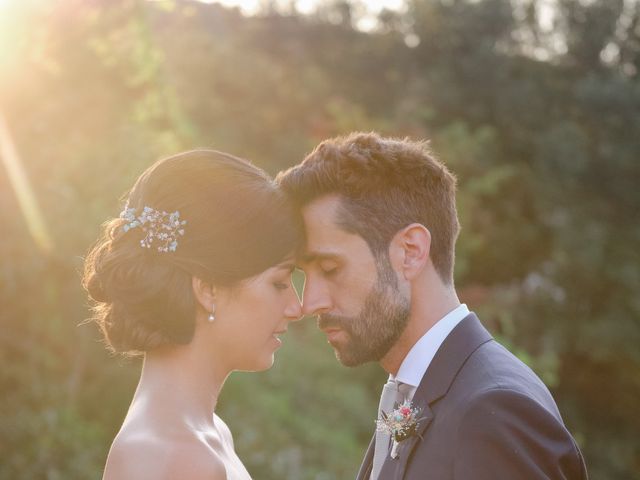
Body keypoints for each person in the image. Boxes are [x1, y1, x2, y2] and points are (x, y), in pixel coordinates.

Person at [277, 132, 588, 480]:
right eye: (306, 274)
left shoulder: (492, 411)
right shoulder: (421, 392)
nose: (310, 302)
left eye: (330, 269)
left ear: (410, 251)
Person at [83, 149, 302, 480]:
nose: (297, 308)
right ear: (208, 289)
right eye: (279, 282)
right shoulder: (175, 457)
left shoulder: (209, 434)